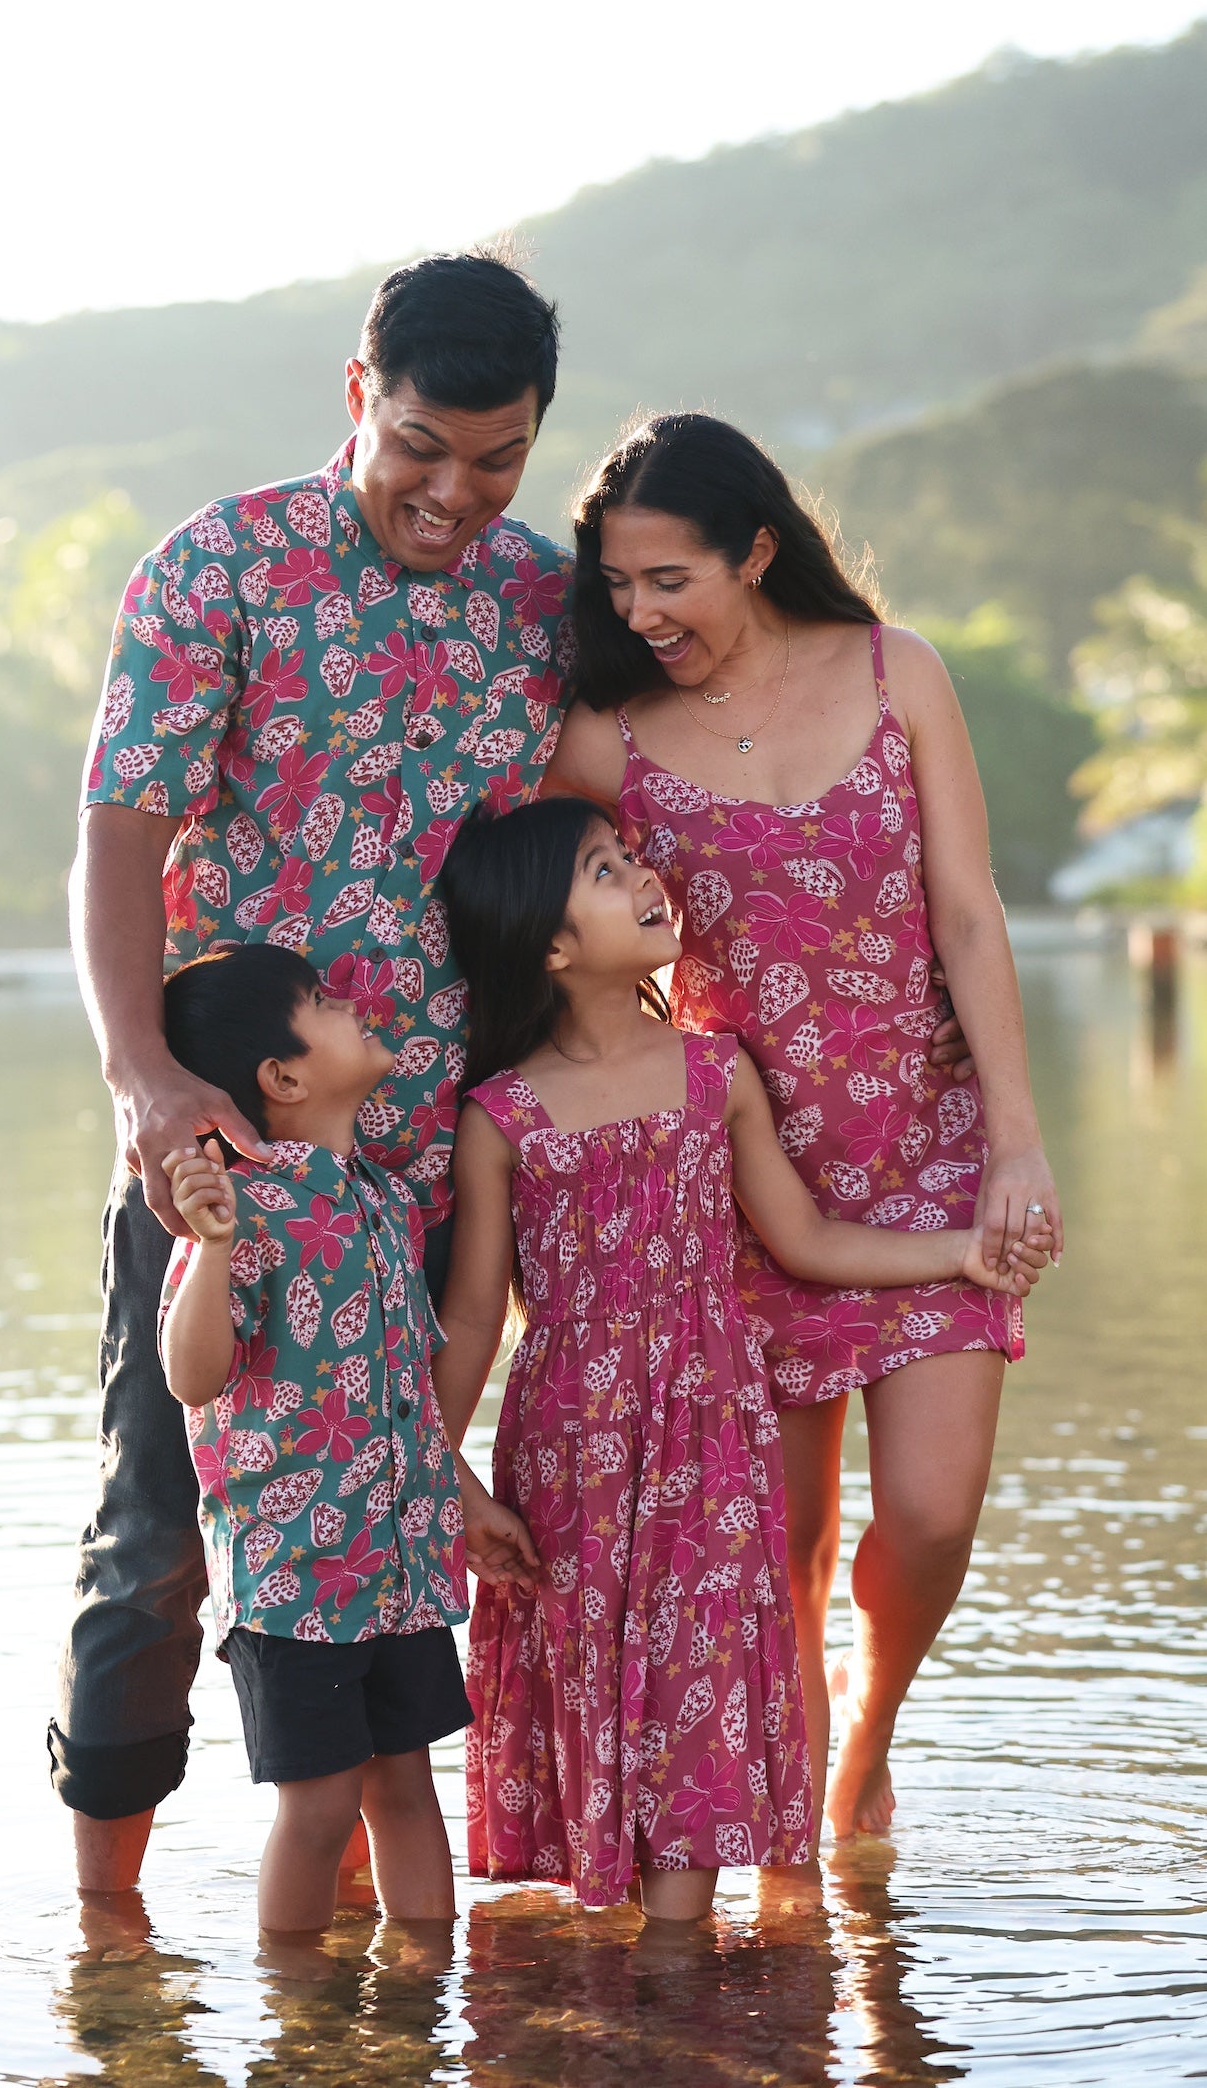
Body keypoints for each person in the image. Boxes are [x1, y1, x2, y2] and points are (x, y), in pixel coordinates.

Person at [51, 249, 571, 1892]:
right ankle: (107, 1933)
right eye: (423, 443)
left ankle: (347, 1936)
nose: (455, 490)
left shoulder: (538, 599)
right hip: (225, 1157)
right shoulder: (222, 566)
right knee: (158, 1543)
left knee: (395, 1542)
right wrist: (143, 1078)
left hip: (426, 1161)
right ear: (359, 398)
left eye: (499, 457)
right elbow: (117, 840)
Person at [543, 413, 1063, 1842]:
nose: (639, 612)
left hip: (929, 1154)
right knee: (775, 1541)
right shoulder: (606, 737)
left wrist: (1015, 1139)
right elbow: (514, 889)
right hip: (742, 1186)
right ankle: (798, 1759)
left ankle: (870, 1722)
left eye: (668, 578)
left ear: (755, 549)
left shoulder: (900, 673)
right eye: (617, 587)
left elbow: (965, 910)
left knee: (931, 1514)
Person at [430, 799, 1048, 1919]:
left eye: (628, 855)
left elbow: (804, 1241)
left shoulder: (719, 1075)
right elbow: (473, 1315)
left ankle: (690, 1967)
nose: (643, 875)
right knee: (595, 1683)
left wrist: (963, 1251)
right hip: (573, 1458)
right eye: (604, 871)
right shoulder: (501, 1116)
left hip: (712, 1443)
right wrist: (454, 1476)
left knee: (704, 1680)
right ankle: (617, 1957)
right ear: (554, 946)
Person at [155, 944, 493, 1937]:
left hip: (401, 1565)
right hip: (297, 1579)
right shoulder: (238, 1209)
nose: (358, 1006)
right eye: (327, 1002)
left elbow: (410, 1400)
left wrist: (466, 1502)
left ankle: (427, 1992)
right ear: (284, 1077)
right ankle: (301, 2025)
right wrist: (210, 1253)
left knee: (408, 1787)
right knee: (317, 1808)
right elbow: (191, 1374)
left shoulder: (383, 1203)